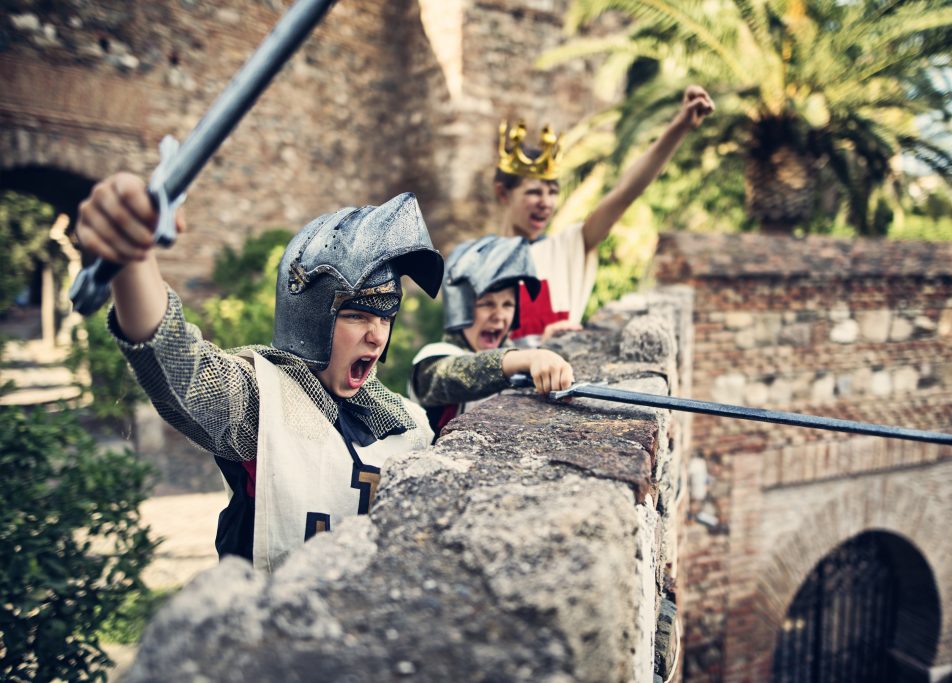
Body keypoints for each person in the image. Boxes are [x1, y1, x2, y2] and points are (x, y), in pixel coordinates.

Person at [74, 172, 444, 572]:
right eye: (356, 316)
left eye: (385, 318)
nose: (376, 336)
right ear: (310, 318)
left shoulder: (411, 424)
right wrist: (133, 260)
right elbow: (183, 368)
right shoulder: (262, 402)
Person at [494, 85, 715, 346]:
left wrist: (680, 126)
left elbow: (624, 193)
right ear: (504, 194)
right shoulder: (481, 259)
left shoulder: (568, 246)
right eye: (534, 192)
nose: (546, 203)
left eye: (553, 192)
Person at [409, 235, 574, 438]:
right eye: (486, 304)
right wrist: (531, 357)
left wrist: (546, 348)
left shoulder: (514, 353)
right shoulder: (431, 361)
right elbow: (466, 372)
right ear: (461, 308)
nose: (500, 315)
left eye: (508, 305)